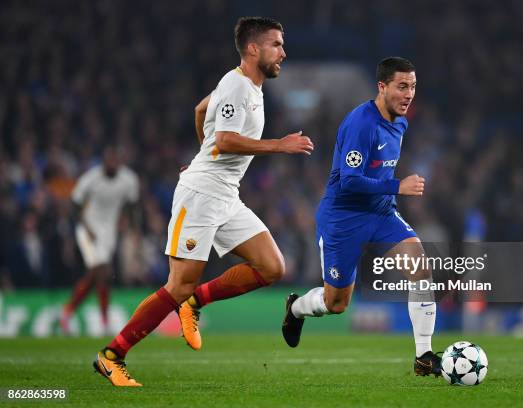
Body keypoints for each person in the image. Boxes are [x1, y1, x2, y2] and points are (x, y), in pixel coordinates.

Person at [93, 16, 314, 387]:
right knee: (178, 284)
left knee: (272, 266)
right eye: (276, 44)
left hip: (226, 194)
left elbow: (200, 111)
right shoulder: (236, 85)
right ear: (253, 48)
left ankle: (195, 304)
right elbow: (225, 141)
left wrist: (203, 153)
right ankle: (112, 355)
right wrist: (277, 144)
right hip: (201, 195)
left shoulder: (249, 88)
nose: (283, 52)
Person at [282, 57, 441, 376]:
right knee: (336, 303)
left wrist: (389, 193)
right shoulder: (360, 124)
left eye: (412, 86)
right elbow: (350, 180)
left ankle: (423, 357)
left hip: (381, 212)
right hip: (344, 218)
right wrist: (398, 186)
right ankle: (297, 308)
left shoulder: (401, 120)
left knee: (420, 266)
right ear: (382, 87)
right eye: (401, 86)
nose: (409, 93)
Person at [61, 147, 139, 335]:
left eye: (115, 162)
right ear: (103, 162)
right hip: (87, 230)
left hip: (108, 233)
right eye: (109, 162)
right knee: (101, 271)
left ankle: (67, 312)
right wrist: (85, 227)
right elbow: (74, 204)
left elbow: (132, 205)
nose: (112, 165)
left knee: (97, 275)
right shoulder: (90, 179)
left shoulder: (129, 180)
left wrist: (131, 226)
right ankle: (104, 321)